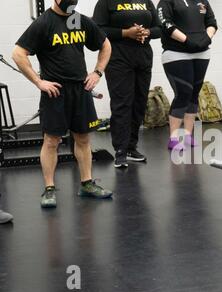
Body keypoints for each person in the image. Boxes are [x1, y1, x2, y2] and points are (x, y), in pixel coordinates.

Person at [12, 0, 113, 208]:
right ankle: (49, 188)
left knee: (83, 139)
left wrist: (97, 72)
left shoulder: (79, 21)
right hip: (55, 91)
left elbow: (106, 45)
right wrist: (39, 81)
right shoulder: (44, 23)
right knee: (51, 141)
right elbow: (18, 54)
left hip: (80, 89)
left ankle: (86, 184)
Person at [93, 0, 162, 168]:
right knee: (122, 103)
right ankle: (121, 150)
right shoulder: (106, 3)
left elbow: (159, 28)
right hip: (118, 57)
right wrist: (126, 33)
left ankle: (131, 147)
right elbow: (98, 30)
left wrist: (146, 32)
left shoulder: (145, 2)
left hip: (143, 57)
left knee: (139, 102)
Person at [157, 0, 217, 150]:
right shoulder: (166, 2)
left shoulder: (202, 1)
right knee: (183, 93)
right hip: (176, 53)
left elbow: (211, 22)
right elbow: (166, 24)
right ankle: (174, 137)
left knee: (194, 94)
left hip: (202, 52)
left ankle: (188, 135)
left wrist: (207, 38)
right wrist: (186, 40)